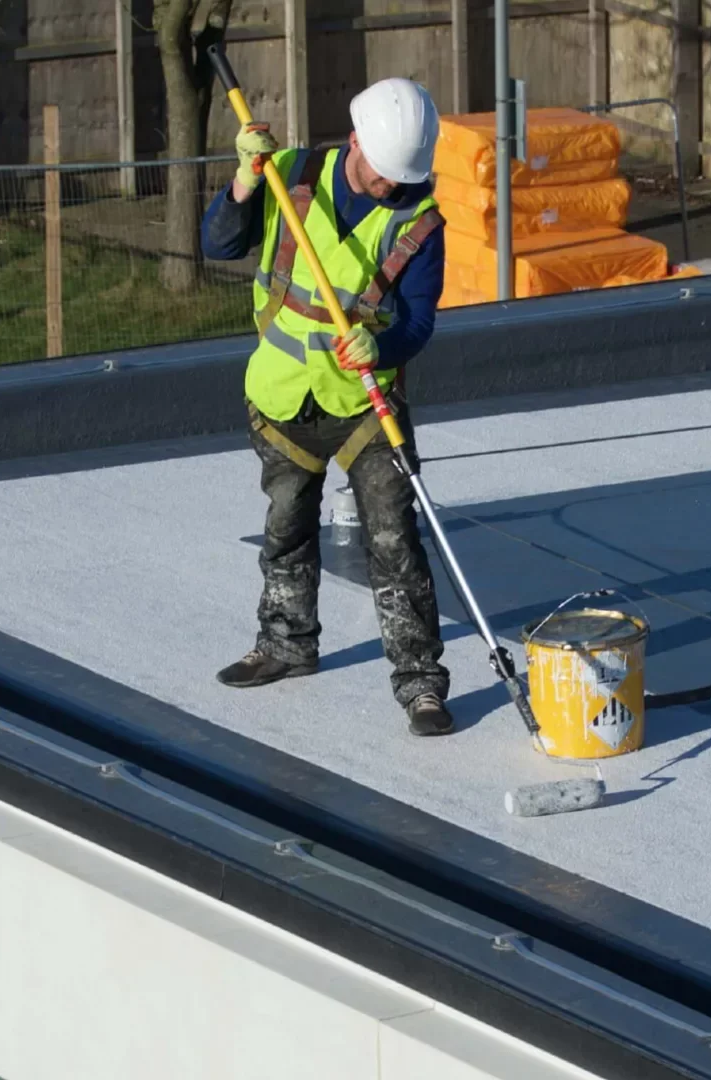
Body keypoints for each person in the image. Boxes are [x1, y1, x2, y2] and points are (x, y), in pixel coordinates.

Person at [200, 78, 454, 737]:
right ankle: (285, 643)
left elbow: (419, 324)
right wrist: (245, 183)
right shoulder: (290, 175)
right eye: (380, 174)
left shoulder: (419, 224)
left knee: (394, 541)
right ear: (353, 143)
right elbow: (219, 245)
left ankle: (421, 683)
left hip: (366, 406)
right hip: (283, 392)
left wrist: (382, 340)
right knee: (286, 525)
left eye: (403, 177)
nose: (390, 187)